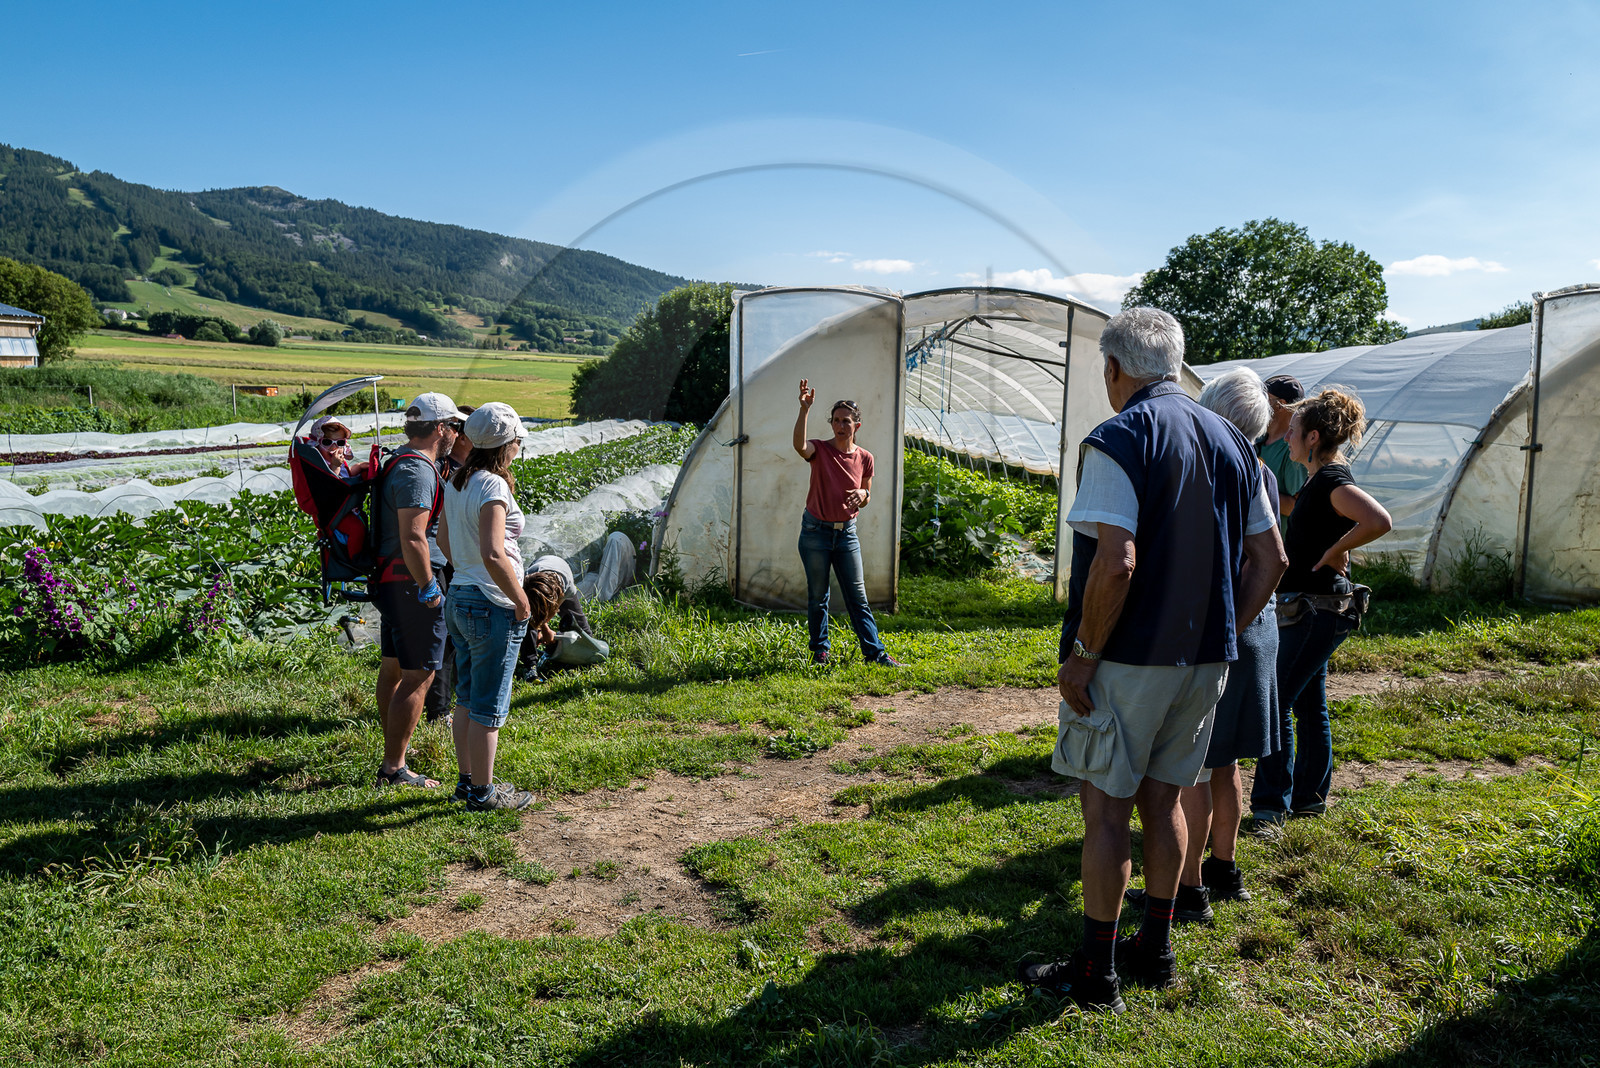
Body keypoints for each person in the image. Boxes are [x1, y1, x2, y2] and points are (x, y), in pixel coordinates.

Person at [1017, 308, 1285, 1013]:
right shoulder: (1232, 440)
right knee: (1164, 800)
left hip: (1130, 659)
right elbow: (1272, 558)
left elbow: (1117, 562)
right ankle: (1156, 949)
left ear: (1114, 368)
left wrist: (1083, 654)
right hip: (1206, 662)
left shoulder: (1119, 438)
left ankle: (1096, 971)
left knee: (1106, 811)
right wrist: (1228, 629)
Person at [1125, 368, 1281, 921]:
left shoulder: (1218, 468)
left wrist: (1222, 628)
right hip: (1257, 625)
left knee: (1191, 766)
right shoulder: (1261, 470)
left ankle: (1188, 890)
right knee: (1225, 762)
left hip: (1224, 627)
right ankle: (1224, 869)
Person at [1250, 387, 1392, 824]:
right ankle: (1308, 799)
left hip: (1317, 610)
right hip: (1312, 607)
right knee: (1309, 704)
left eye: (1293, 431)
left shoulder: (1331, 479)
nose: (1286, 438)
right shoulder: (1318, 478)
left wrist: (1336, 550)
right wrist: (1336, 546)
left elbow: (1378, 520)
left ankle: (1270, 807)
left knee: (1276, 700)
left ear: (1313, 437)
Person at [438, 401, 539, 811]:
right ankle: (483, 793)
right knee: (488, 706)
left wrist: (466, 569)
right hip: (491, 602)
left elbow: (443, 540)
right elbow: (494, 553)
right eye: (517, 442)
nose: (518, 448)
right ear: (506, 445)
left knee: (466, 697)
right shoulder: (493, 486)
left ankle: (467, 782)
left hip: (460, 595)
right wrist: (521, 599)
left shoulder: (458, 480)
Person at [372, 392, 469, 789]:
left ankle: (393, 751)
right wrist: (429, 586)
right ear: (441, 428)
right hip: (411, 583)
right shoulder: (417, 471)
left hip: (393, 581)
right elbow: (414, 536)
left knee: (394, 667)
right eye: (455, 426)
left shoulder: (400, 459)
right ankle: (394, 768)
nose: (457, 434)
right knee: (420, 674)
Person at [792, 382, 901, 667]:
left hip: (846, 535)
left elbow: (866, 496)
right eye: (836, 420)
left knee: (858, 598)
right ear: (831, 423)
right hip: (815, 532)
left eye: (846, 421)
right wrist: (804, 410)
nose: (840, 426)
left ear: (857, 425)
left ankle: (875, 654)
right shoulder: (819, 449)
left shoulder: (865, 458)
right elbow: (799, 446)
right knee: (818, 596)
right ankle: (820, 652)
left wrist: (863, 494)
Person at [424, 404, 476, 725]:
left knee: (458, 633)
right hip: (443, 559)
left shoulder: (468, 470)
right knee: (444, 635)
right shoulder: (442, 469)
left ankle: (455, 698)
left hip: (458, 556)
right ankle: (438, 709)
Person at [1258, 375, 1306, 522]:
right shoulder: (1257, 438)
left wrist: (1251, 486)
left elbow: (1296, 507)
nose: (1256, 403)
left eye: (1263, 398)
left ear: (1280, 405)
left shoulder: (1292, 448)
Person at [308, 415, 367, 481]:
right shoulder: (318, 465)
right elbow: (330, 483)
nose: (334, 448)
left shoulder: (337, 460)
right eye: (327, 442)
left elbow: (344, 473)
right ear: (316, 445)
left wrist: (359, 466)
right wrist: (335, 466)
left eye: (340, 442)